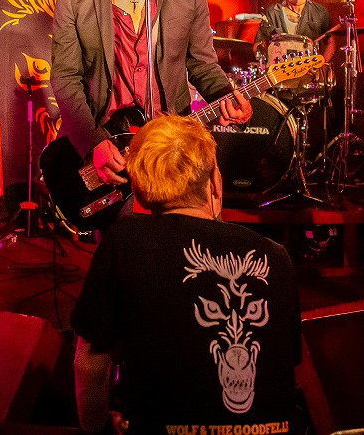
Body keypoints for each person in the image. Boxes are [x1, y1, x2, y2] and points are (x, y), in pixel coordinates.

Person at [71, 115, 302, 433]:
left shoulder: (125, 240)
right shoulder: (275, 256)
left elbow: (89, 364)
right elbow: (287, 366)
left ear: (139, 190)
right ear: (216, 182)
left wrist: (97, 429)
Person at [51, 0, 251, 189]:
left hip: (173, 143)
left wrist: (225, 96)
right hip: (112, 146)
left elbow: (202, 64)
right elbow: (65, 77)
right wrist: (93, 142)